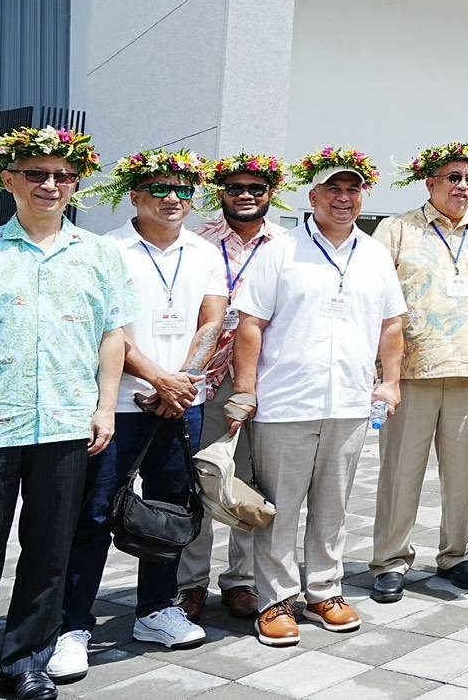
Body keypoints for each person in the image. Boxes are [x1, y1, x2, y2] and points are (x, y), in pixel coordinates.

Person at [52, 149, 226, 684]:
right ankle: (73, 625)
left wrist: (182, 383)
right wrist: (156, 378)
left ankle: (155, 610)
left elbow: (212, 319)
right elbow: (109, 329)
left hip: (181, 404)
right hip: (120, 404)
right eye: (159, 188)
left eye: (183, 190)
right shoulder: (106, 249)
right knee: (96, 513)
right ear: (134, 194)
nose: (172, 199)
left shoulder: (204, 251)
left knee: (171, 509)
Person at [230, 148, 406, 646]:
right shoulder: (280, 250)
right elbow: (251, 324)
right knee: (279, 508)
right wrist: (245, 390)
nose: (343, 198)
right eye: (333, 189)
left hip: (349, 402)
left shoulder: (373, 254)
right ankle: (276, 600)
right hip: (286, 402)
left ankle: (325, 590)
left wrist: (388, 382)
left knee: (333, 506)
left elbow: (392, 324)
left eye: (352, 190)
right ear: (313, 196)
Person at [0, 126, 127, 700]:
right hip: (0, 421)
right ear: (10, 181)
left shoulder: (99, 254)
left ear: (76, 186)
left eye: (62, 176)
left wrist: (105, 408)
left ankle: (24, 658)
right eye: (36, 174)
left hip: (66, 422)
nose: (50, 184)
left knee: (49, 550)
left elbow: (111, 336)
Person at [370, 142, 468, 603]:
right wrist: (381, 371)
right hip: (411, 371)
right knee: (400, 470)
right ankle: (391, 559)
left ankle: (456, 554)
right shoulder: (396, 230)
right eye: (453, 177)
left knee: (462, 472)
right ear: (429, 182)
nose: (463, 186)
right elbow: (374, 300)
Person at [178, 152, 290, 623]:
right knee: (201, 477)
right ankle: (190, 583)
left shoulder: (288, 245)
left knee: (250, 480)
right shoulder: (199, 242)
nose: (246, 195)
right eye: (236, 188)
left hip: (266, 379)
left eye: (256, 189)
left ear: (270, 195)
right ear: (220, 194)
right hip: (205, 378)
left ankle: (241, 581)